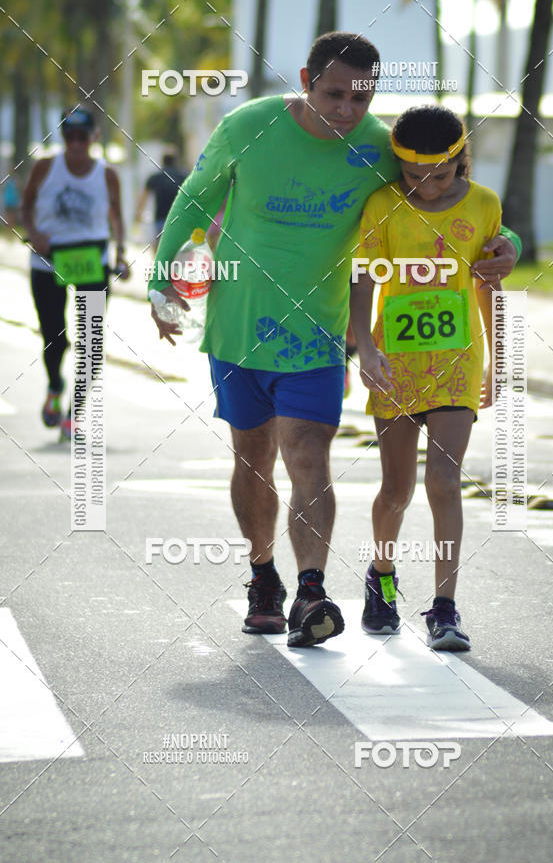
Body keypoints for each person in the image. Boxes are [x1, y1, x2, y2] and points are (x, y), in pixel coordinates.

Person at [148, 32, 520, 648]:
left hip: (318, 335)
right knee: (254, 458)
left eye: (362, 97)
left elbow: (450, 202)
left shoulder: (381, 146)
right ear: (305, 78)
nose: (349, 109)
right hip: (238, 330)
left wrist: (509, 245)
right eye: (335, 94)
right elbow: (196, 197)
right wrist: (164, 282)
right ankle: (263, 575)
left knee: (307, 455)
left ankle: (312, 592)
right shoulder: (250, 126)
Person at [350, 104, 506, 651]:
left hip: (458, 363)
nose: (425, 186)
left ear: (460, 162)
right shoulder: (383, 205)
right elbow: (363, 278)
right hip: (395, 363)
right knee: (396, 490)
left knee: (443, 481)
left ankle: (444, 607)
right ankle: (381, 578)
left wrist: (500, 356)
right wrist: (363, 345)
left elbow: (488, 283)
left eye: (438, 175)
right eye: (413, 175)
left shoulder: (485, 205)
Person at [22, 106, 129, 440]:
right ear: (63, 137)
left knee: (92, 344)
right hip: (49, 260)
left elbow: (117, 217)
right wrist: (33, 233)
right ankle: (55, 384)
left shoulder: (107, 174)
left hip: (91, 260)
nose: (77, 143)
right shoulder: (45, 167)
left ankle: (73, 413)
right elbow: (25, 206)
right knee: (55, 337)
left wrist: (121, 253)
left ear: (94, 137)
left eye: (83, 136)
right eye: (71, 136)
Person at [135, 152, 187, 252]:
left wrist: (138, 215)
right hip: (179, 218)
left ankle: (159, 266)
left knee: (159, 248)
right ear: (176, 161)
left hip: (160, 218)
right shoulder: (183, 177)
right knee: (178, 249)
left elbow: (143, 198)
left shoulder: (155, 177)